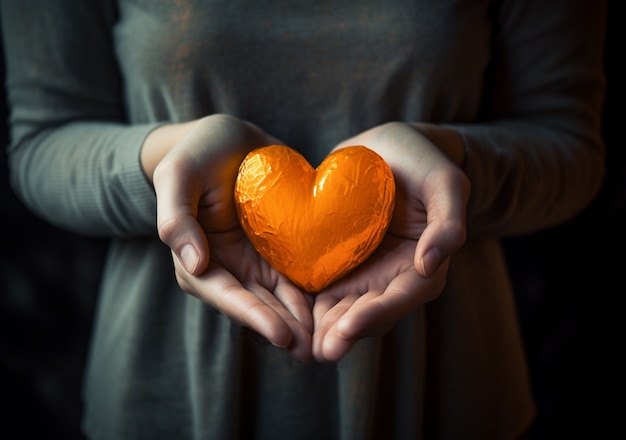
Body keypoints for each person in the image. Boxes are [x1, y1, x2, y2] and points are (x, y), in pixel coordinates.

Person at [0, 0, 607, 439]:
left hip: (448, 400)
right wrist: (165, 165)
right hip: (164, 401)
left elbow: (569, 144)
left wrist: (452, 160)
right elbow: (42, 142)